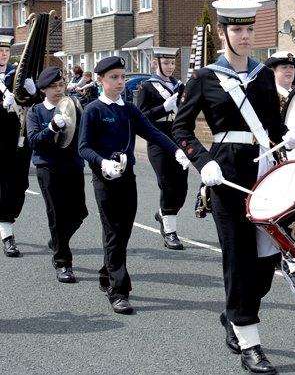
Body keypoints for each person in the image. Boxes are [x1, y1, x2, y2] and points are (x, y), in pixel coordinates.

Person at [172, 0, 295, 375]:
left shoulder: (263, 75)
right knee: (240, 260)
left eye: (249, 30)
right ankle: (251, 345)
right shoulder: (204, 78)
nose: (245, 37)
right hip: (225, 175)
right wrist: (203, 161)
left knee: (266, 262)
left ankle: (233, 314)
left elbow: (271, 126)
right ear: (221, 33)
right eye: (237, 30)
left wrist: (289, 137)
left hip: (264, 172)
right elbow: (180, 129)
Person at [78, 56, 190, 314]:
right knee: (114, 232)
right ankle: (119, 291)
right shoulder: (94, 110)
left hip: (127, 178)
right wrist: (101, 162)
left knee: (123, 232)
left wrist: (176, 151)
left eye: (122, 77)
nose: (119, 82)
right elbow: (83, 147)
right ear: (100, 81)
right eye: (113, 78)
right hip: (105, 179)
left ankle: (107, 274)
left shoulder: (129, 109)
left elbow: (152, 132)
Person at [26, 66, 88, 283]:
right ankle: (63, 263)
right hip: (48, 167)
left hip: (73, 166)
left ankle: (57, 241)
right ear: (43, 89)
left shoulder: (73, 107)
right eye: (53, 86)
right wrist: (52, 127)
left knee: (80, 212)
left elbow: (84, 134)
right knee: (57, 215)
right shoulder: (36, 112)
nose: (59, 90)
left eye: (61, 85)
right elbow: (33, 141)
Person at [264, 50, 295, 290]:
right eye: (283, 68)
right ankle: (287, 261)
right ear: (272, 72)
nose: (289, 71)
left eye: (291, 68)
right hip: (276, 163)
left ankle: (294, 264)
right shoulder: (267, 96)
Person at [136, 47, 188, 251]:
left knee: (182, 189)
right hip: (158, 141)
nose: (170, 67)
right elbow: (141, 118)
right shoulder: (147, 87)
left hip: (178, 140)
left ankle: (162, 213)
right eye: (166, 63)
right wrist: (163, 108)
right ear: (156, 64)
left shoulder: (180, 86)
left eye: (172, 63)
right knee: (167, 184)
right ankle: (170, 231)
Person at [0, 35, 39, 257]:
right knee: (4, 185)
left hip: (21, 140)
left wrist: (34, 92)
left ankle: (6, 219)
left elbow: (36, 105)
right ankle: (7, 233)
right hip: (0, 141)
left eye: (6, 50)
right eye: (0, 50)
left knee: (20, 185)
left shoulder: (17, 76)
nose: (4, 54)